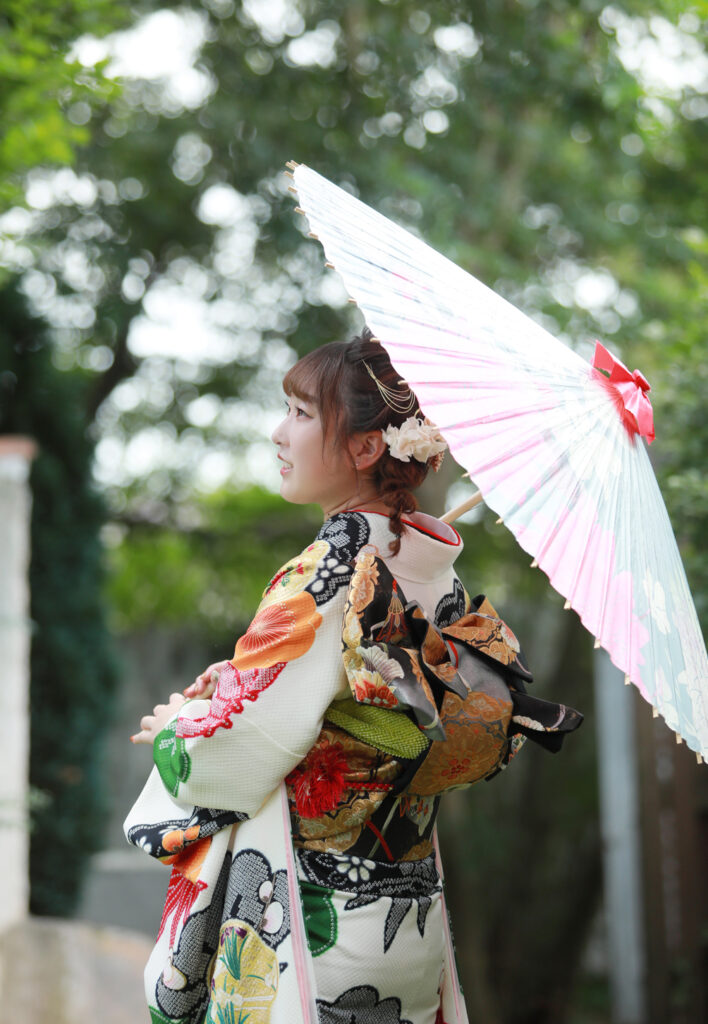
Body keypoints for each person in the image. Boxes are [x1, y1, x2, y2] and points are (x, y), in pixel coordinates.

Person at [126, 328, 582, 1024]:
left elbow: (241, 747)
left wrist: (174, 733)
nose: (280, 433)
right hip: (405, 908)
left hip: (306, 917)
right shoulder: (432, 571)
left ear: (368, 448)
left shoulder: (328, 568)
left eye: (302, 414)